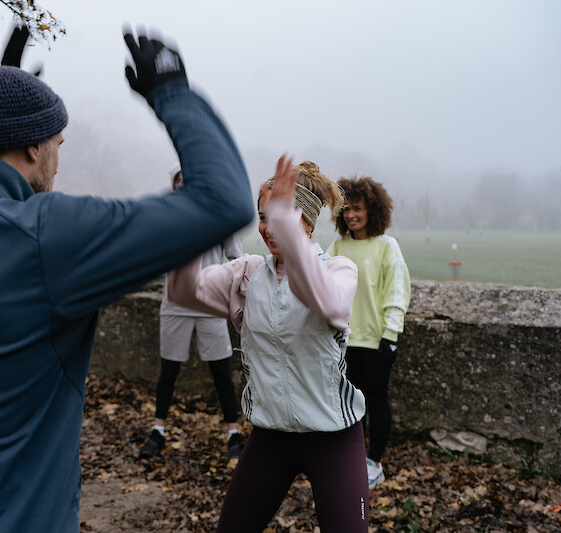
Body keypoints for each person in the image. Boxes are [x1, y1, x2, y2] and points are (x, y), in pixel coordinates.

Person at [0, 28, 255, 532]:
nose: (58, 156)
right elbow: (225, 202)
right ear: (34, 148)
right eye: (57, 142)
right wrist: (172, 92)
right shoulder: (44, 237)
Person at [167, 156, 369, 532]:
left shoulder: (338, 271)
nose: (268, 227)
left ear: (308, 222)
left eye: (281, 216)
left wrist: (285, 227)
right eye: (263, 217)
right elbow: (182, 291)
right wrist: (191, 220)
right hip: (270, 436)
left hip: (333, 437)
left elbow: (324, 300)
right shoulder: (247, 275)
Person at [138, 165, 245, 461]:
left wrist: (231, 287)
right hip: (174, 303)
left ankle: (233, 434)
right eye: (179, 181)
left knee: (221, 371)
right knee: (168, 371)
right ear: (174, 185)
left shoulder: (220, 215)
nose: (183, 185)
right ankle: (157, 432)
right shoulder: (166, 218)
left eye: (189, 179)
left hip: (210, 303)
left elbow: (237, 257)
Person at [326, 175, 411, 490]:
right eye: (346, 209)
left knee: (376, 402)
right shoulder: (338, 246)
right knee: (350, 404)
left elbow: (396, 291)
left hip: (376, 342)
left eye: (357, 209)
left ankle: (374, 463)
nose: (351, 215)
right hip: (344, 341)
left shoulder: (387, 246)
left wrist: (391, 336)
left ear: (372, 210)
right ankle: (353, 459)